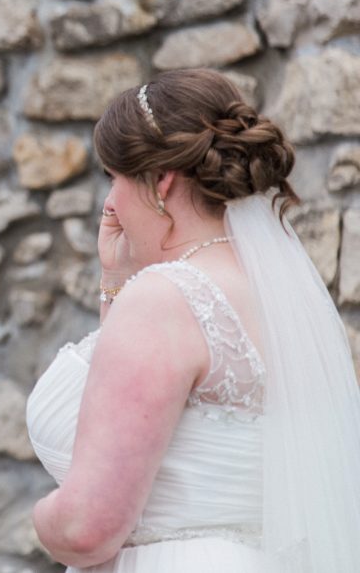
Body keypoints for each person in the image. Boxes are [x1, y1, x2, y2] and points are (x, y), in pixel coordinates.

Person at [25, 68, 360, 572]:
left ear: (161, 181)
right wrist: (117, 275)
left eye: (113, 178)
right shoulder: (270, 292)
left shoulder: (164, 301)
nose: (110, 203)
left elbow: (86, 528)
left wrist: (43, 515)